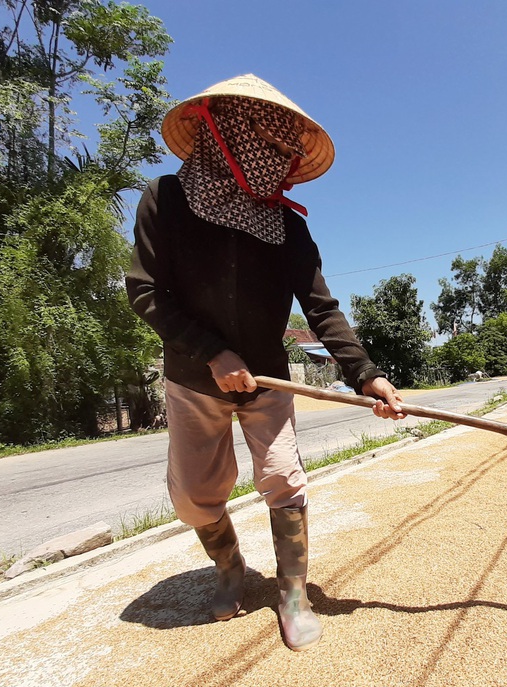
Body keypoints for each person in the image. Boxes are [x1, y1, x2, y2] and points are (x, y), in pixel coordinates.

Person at [126, 74, 404, 652]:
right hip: (192, 378)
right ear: (228, 133)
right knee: (195, 495)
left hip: (267, 380)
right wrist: (211, 352)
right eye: (273, 148)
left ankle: (293, 594)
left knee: (284, 479)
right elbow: (146, 293)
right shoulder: (167, 202)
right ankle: (231, 572)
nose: (281, 162)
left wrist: (366, 374)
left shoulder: (287, 226)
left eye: (287, 153)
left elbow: (321, 309)